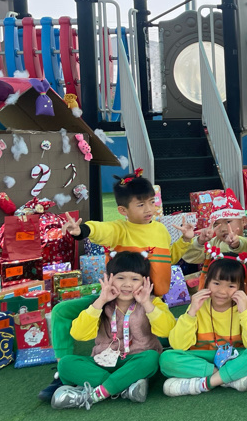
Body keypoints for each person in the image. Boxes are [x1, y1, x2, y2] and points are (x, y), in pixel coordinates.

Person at [43, 170, 188, 402]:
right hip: (112, 298)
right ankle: (68, 374)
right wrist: (81, 231)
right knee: (61, 311)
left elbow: (166, 259)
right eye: (140, 204)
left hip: (147, 299)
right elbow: (101, 230)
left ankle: (110, 382)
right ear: (123, 210)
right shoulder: (120, 229)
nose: (149, 209)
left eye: (151, 202)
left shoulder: (160, 230)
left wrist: (187, 242)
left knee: (160, 338)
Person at [51, 252, 174, 410]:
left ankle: (98, 393)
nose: (127, 284)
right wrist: (101, 301)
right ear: (109, 279)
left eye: (135, 279)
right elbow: (79, 334)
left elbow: (167, 331)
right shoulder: (100, 304)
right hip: (102, 362)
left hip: (135, 361)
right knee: (65, 364)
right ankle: (123, 387)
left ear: (145, 282)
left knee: (151, 358)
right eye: (120, 278)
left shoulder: (153, 302)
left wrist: (147, 304)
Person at [159, 257, 247, 396]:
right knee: (167, 359)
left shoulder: (244, 306)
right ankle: (229, 378)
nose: (222, 291)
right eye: (216, 283)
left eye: (231, 286)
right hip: (203, 357)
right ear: (207, 282)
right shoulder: (198, 304)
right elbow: (178, 345)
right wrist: (192, 312)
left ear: (240, 288)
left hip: (234, 356)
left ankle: (205, 383)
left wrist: (244, 312)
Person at [179, 191, 247, 295]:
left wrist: (236, 245)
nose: (223, 229)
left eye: (228, 222)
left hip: (241, 296)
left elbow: (244, 246)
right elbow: (189, 257)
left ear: (243, 221)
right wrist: (200, 242)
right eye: (216, 224)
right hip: (214, 296)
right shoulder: (212, 243)